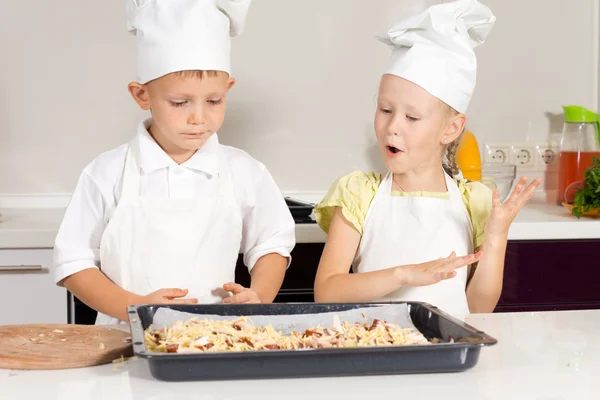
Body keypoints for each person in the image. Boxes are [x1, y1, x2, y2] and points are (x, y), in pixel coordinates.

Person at [53, 0, 295, 325]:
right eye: (180, 102)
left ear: (228, 89)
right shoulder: (106, 173)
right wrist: (135, 307)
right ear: (142, 96)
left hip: (216, 342)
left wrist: (260, 295)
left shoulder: (245, 171)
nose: (199, 117)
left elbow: (272, 243)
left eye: (214, 101)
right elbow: (73, 262)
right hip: (120, 345)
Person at [313, 0, 540, 319]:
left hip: (446, 355)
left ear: (451, 128)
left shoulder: (474, 202)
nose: (393, 127)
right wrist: (403, 275)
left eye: (412, 117)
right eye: (385, 110)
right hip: (372, 349)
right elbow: (326, 290)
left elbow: (478, 307)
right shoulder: (358, 195)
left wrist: (496, 236)